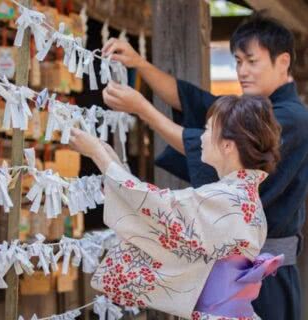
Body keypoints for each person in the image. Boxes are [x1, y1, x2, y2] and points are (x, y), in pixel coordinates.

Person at [100, 15, 308, 320]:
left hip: (263, 276)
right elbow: (198, 104)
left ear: (283, 61)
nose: (242, 71)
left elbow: (220, 138)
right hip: (234, 275)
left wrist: (143, 110)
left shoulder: (292, 118)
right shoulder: (261, 113)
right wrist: (141, 66)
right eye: (237, 61)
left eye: (251, 61)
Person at [69, 95, 283, 320]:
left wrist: (98, 154)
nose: (202, 137)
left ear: (228, 145)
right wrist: (109, 159)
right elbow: (157, 207)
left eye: (208, 129)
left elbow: (157, 207)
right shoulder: (241, 195)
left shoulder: (228, 197)